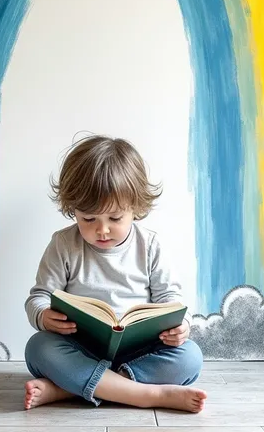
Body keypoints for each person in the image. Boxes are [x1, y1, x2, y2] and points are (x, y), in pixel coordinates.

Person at [24, 135, 206, 412]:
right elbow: (39, 296)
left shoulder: (150, 245)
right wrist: (43, 316)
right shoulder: (63, 244)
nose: (102, 230)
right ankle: (150, 395)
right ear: (72, 209)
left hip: (139, 352)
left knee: (190, 356)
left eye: (115, 218)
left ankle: (68, 389)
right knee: (38, 347)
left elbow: (171, 299)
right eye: (88, 219)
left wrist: (182, 327)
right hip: (81, 349)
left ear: (135, 208)